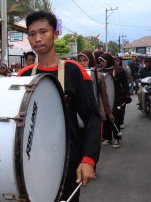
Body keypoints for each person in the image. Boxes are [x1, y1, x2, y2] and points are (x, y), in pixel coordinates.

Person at [16, 11, 101, 201]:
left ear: (55, 34)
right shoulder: (23, 75)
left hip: (68, 162)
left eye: (43, 32)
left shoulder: (75, 71)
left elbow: (92, 117)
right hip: (31, 161)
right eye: (32, 34)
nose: (37, 39)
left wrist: (88, 159)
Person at [99, 53, 131, 148]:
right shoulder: (99, 71)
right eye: (100, 61)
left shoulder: (119, 70)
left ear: (108, 60)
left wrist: (126, 95)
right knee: (105, 117)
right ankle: (107, 138)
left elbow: (125, 84)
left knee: (115, 117)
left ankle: (116, 138)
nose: (101, 63)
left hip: (117, 97)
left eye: (102, 61)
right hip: (104, 97)